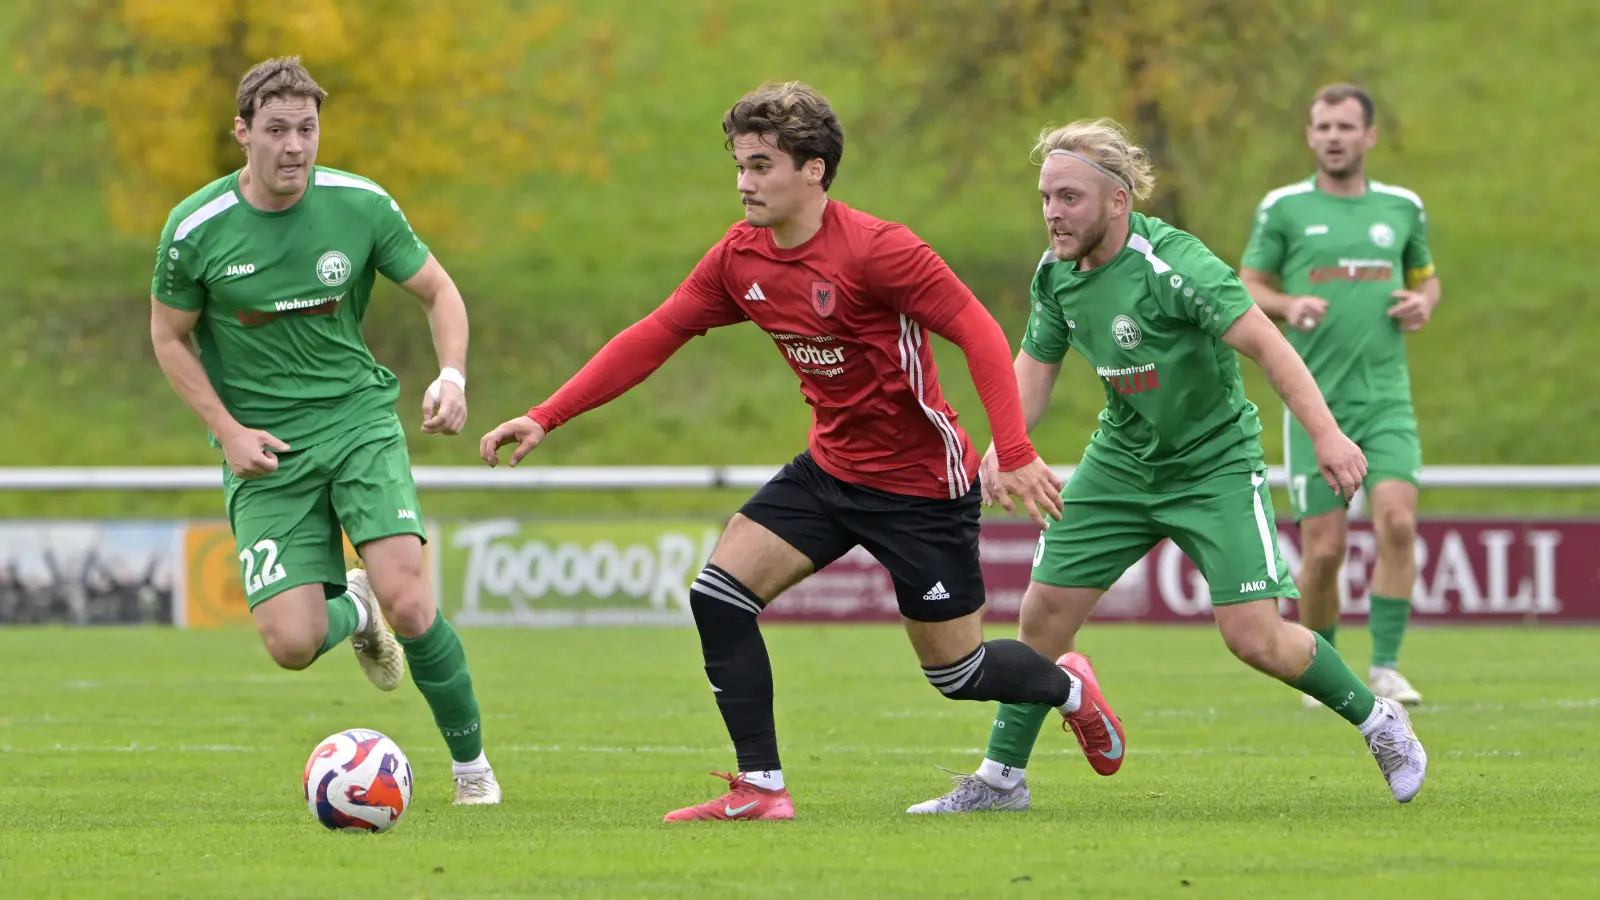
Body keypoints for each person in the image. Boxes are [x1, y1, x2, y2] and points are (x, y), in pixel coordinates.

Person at [480, 81, 1122, 822]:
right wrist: (546, 415)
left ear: (813, 169)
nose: (744, 184)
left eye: (761, 166)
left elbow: (977, 330)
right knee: (717, 597)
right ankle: (761, 789)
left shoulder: (881, 251)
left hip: (920, 484)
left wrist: (1012, 448)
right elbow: (657, 333)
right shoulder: (739, 257)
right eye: (740, 166)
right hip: (829, 471)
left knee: (958, 673)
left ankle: (1068, 686)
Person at [907, 118, 1427, 815]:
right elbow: (1034, 367)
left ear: (1118, 201)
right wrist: (1004, 448)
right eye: (1046, 197)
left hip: (1213, 464)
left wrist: (1327, 436)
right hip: (1122, 461)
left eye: (1070, 199)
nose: (1053, 214)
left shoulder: (1175, 265)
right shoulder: (1055, 273)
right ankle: (1001, 779)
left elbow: (1269, 346)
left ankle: (1379, 722)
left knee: (1254, 639)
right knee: (1044, 613)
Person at [149, 57, 499, 804]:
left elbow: (438, 290)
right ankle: (355, 608)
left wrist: (452, 375)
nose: (295, 146)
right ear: (242, 133)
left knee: (412, 599)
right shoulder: (194, 229)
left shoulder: (361, 205)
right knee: (293, 643)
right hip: (265, 451)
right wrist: (228, 429)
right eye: (276, 130)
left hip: (358, 422)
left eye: (306, 129)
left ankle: (472, 771)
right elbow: (169, 337)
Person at [1240, 84, 1439, 708]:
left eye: (1345, 127)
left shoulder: (1404, 208)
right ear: (1309, 135)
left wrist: (1422, 303)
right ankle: (1320, 668)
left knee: (1399, 524)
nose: (1333, 136)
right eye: (1323, 125)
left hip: (1386, 400)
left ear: (1369, 136)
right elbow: (1248, 285)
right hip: (1315, 408)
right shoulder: (1284, 208)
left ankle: (1384, 667)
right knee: (1325, 551)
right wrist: (1287, 303)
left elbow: (1426, 280)